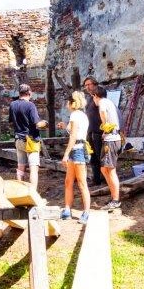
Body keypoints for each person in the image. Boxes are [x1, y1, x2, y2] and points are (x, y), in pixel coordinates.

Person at [57, 92, 91, 224]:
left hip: (78, 150)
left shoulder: (75, 115)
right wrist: (65, 126)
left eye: (68, 102)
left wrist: (65, 154)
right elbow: (75, 132)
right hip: (76, 149)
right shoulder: (80, 115)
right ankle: (67, 210)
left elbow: (73, 136)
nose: (67, 104)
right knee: (68, 181)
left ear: (72, 103)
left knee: (82, 183)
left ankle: (86, 213)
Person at [8, 84, 48, 190]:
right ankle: (33, 193)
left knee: (20, 166)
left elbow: (11, 121)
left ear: (19, 93)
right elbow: (37, 124)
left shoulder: (13, 104)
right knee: (33, 168)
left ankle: (20, 191)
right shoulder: (30, 105)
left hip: (18, 139)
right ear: (29, 93)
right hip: (31, 140)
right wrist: (45, 123)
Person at [91, 86, 122, 210]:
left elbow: (103, 113)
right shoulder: (110, 102)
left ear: (95, 96)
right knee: (104, 169)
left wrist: (105, 128)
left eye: (93, 97)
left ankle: (115, 200)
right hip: (112, 139)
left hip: (111, 140)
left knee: (110, 170)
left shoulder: (103, 102)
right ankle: (113, 196)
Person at [83, 76, 105, 186]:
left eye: (89, 84)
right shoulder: (90, 98)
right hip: (90, 131)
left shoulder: (99, 96)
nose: (87, 87)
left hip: (99, 132)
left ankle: (104, 178)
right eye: (85, 85)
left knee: (101, 156)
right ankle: (96, 179)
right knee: (93, 157)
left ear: (95, 84)